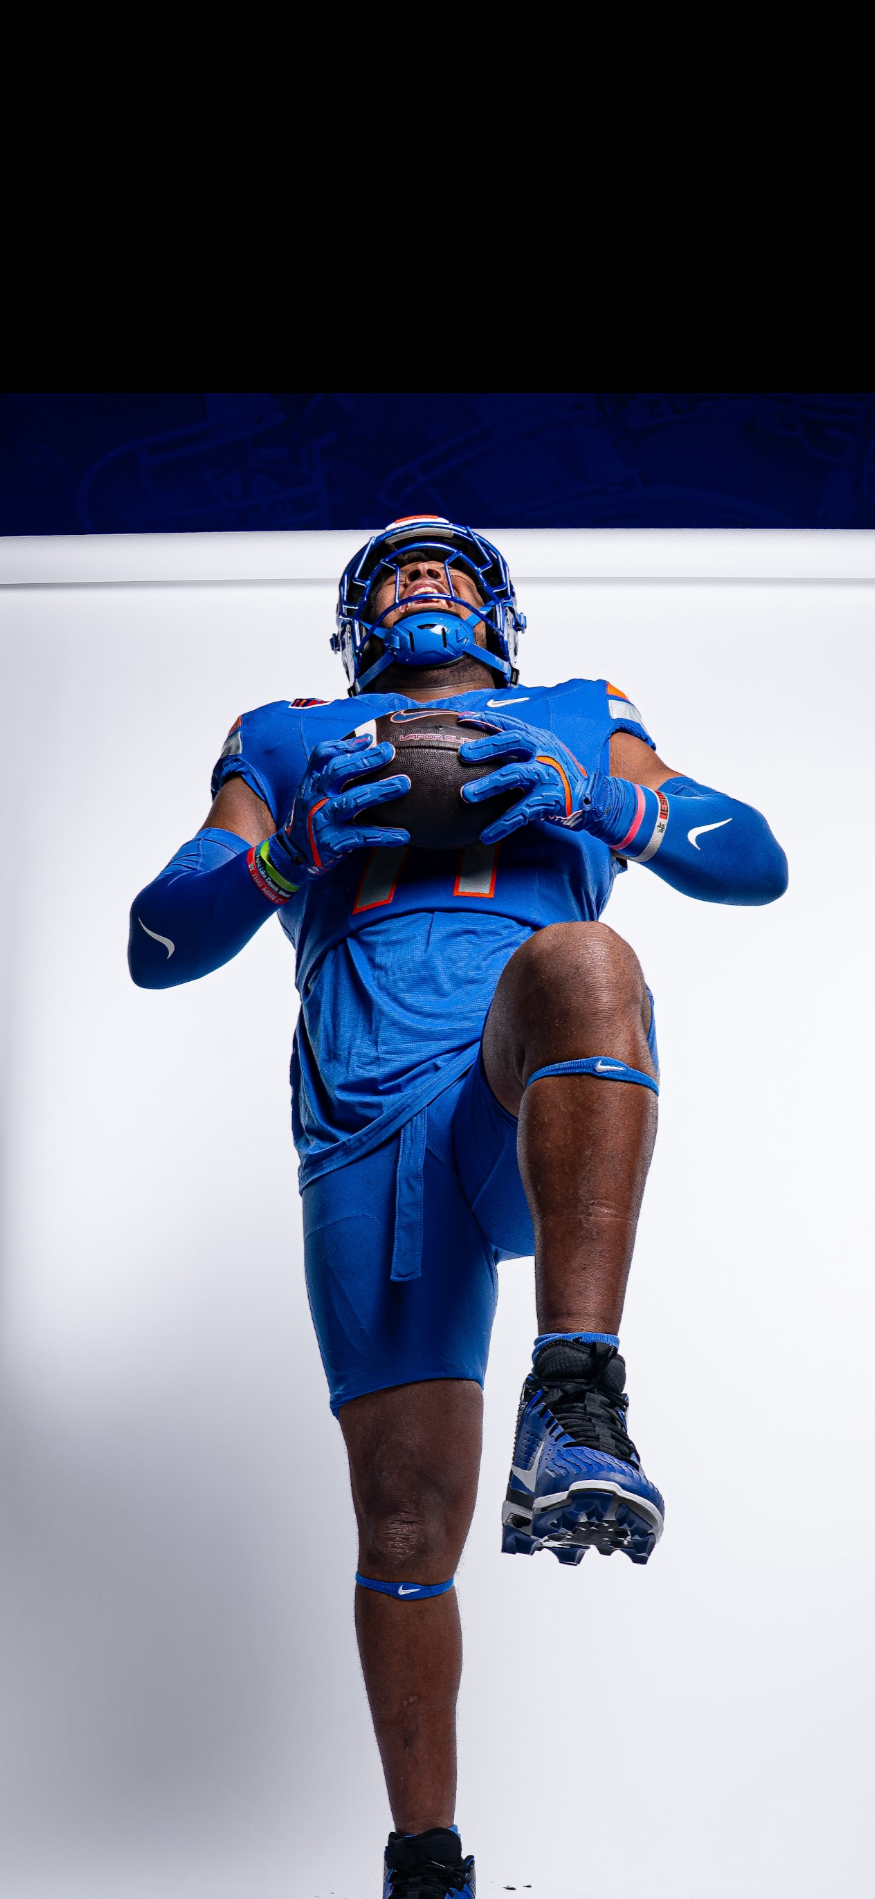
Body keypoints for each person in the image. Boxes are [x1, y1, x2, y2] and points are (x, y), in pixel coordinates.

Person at [129, 517, 788, 1898]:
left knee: (584, 955)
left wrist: (611, 805)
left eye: (448, 565)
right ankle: (424, 1859)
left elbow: (756, 857)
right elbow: (154, 940)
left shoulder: (576, 717)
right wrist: (269, 861)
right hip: (363, 1125)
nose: (420, 574)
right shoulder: (290, 736)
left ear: (496, 607)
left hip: (518, 1086)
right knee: (404, 1519)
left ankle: (575, 1393)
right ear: (356, 614)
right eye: (392, 567)